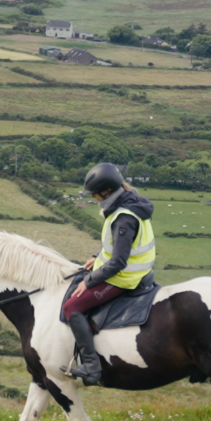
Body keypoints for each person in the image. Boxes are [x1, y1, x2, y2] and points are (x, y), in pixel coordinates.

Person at [61, 162, 155, 385]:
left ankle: (91, 367)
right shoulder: (130, 202)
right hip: (134, 270)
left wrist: (90, 281)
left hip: (124, 277)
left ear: (107, 191)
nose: (94, 198)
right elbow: (117, 244)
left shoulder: (124, 217)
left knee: (72, 306)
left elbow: (119, 262)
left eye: (95, 194)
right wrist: (96, 255)